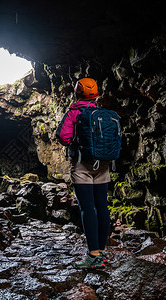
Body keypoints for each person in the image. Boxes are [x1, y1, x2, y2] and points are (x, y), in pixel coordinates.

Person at [57, 77, 111, 269]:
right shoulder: (104, 113)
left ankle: (93, 256)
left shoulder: (74, 113)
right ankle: (102, 252)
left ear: (76, 93)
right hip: (103, 165)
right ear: (96, 94)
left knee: (88, 209)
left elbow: (63, 137)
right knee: (102, 207)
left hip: (81, 165)